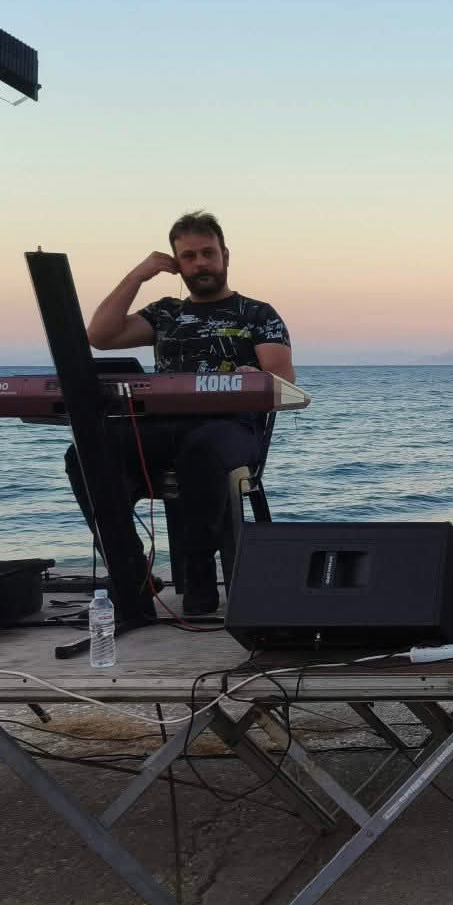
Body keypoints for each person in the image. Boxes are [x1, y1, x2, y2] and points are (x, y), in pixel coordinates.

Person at [72, 211, 295, 615]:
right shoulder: (165, 313)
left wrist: (256, 377)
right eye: (189, 256)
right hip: (163, 427)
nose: (200, 263)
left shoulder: (257, 313)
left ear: (225, 256)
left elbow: (282, 379)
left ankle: (199, 574)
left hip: (233, 429)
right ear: (176, 263)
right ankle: (131, 568)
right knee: (85, 452)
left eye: (208, 253)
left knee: (201, 450)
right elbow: (99, 336)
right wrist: (139, 274)